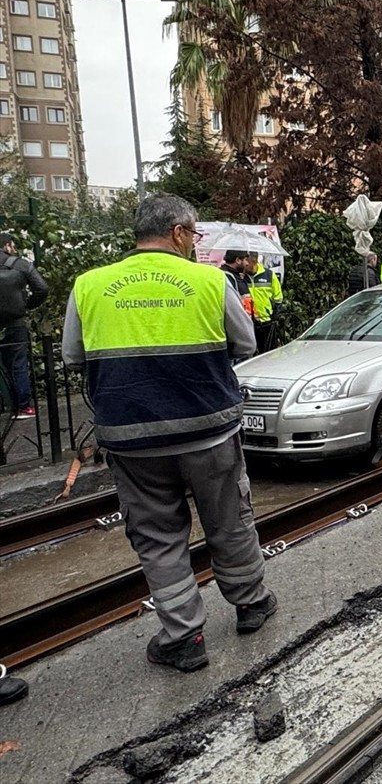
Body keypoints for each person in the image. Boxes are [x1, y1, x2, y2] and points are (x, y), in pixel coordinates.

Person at [62, 194, 277, 673]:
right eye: (195, 235)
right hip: (209, 432)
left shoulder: (89, 286)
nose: (195, 243)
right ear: (178, 232)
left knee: (158, 535)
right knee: (229, 519)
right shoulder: (208, 280)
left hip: (131, 438)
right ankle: (251, 605)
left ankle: (183, 638)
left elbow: (74, 356)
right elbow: (244, 342)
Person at [0, 233, 49, 419]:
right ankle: (22, 408)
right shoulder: (20, 264)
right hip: (14, 323)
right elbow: (42, 288)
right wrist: (27, 304)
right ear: (7, 246)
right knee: (17, 364)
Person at [248, 254, 283, 354]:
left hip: (266, 321)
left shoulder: (269, 275)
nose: (245, 265)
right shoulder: (242, 276)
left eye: (248, 263)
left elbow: (278, 297)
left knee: (267, 353)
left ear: (254, 261)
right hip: (249, 321)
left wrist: (275, 313)